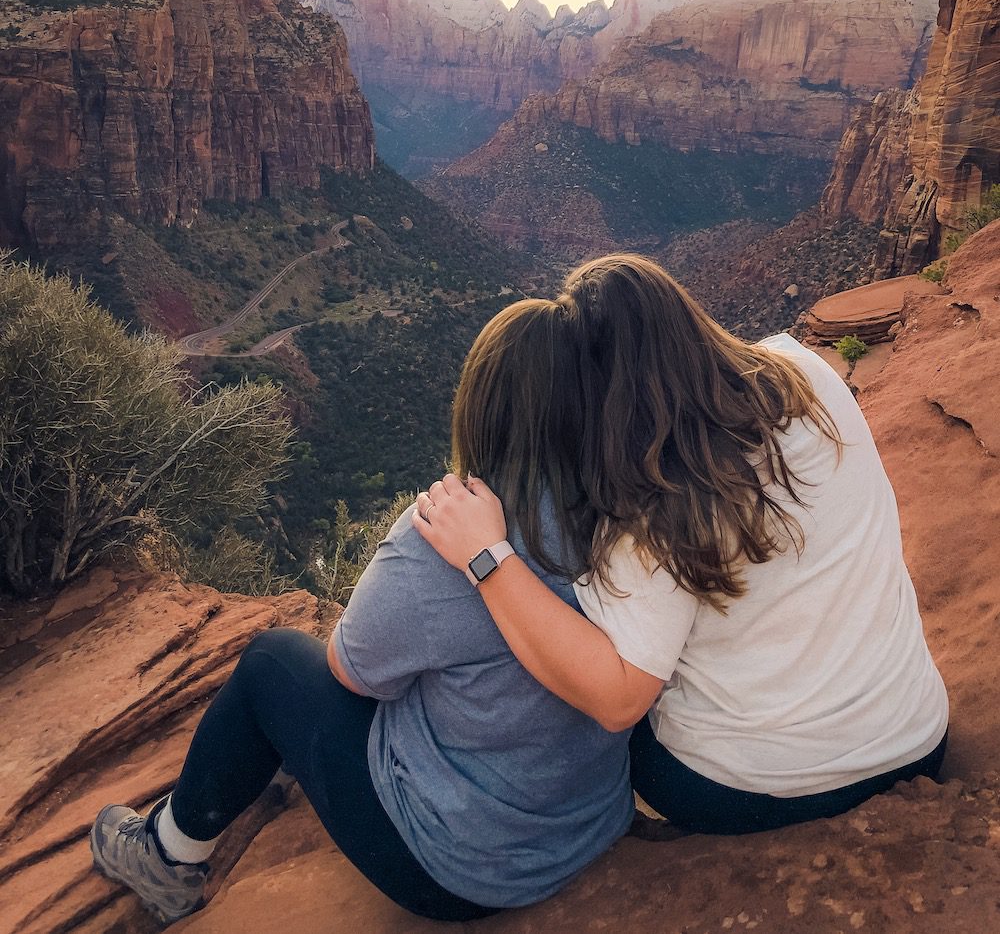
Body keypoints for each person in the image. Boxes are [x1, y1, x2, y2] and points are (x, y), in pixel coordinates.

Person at [90, 299, 634, 925]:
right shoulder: (634, 510)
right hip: (593, 818)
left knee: (273, 662)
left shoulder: (443, 535)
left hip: (463, 869)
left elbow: (352, 672)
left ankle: (166, 857)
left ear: (482, 400)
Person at [415, 253, 949, 835]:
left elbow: (617, 698)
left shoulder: (653, 502)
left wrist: (486, 558)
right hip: (916, 739)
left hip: (758, 790)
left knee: (583, 724)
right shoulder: (806, 372)